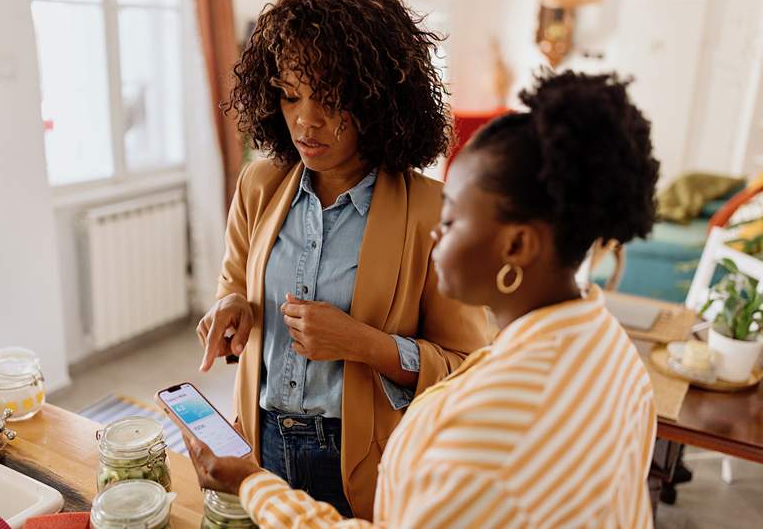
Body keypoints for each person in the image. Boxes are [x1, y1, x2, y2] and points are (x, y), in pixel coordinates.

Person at [185, 70, 661, 528]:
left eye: (452, 218)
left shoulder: (489, 430)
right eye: (290, 95)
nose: (437, 231)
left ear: (517, 246)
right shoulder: (616, 356)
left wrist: (252, 484)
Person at [195, 0, 491, 519]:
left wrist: (367, 345)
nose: (306, 123)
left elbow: (468, 369)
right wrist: (233, 306)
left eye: (329, 99)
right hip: (259, 442)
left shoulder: (430, 211)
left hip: (365, 459)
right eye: (289, 97)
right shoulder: (259, 185)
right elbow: (233, 283)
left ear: (378, 99)